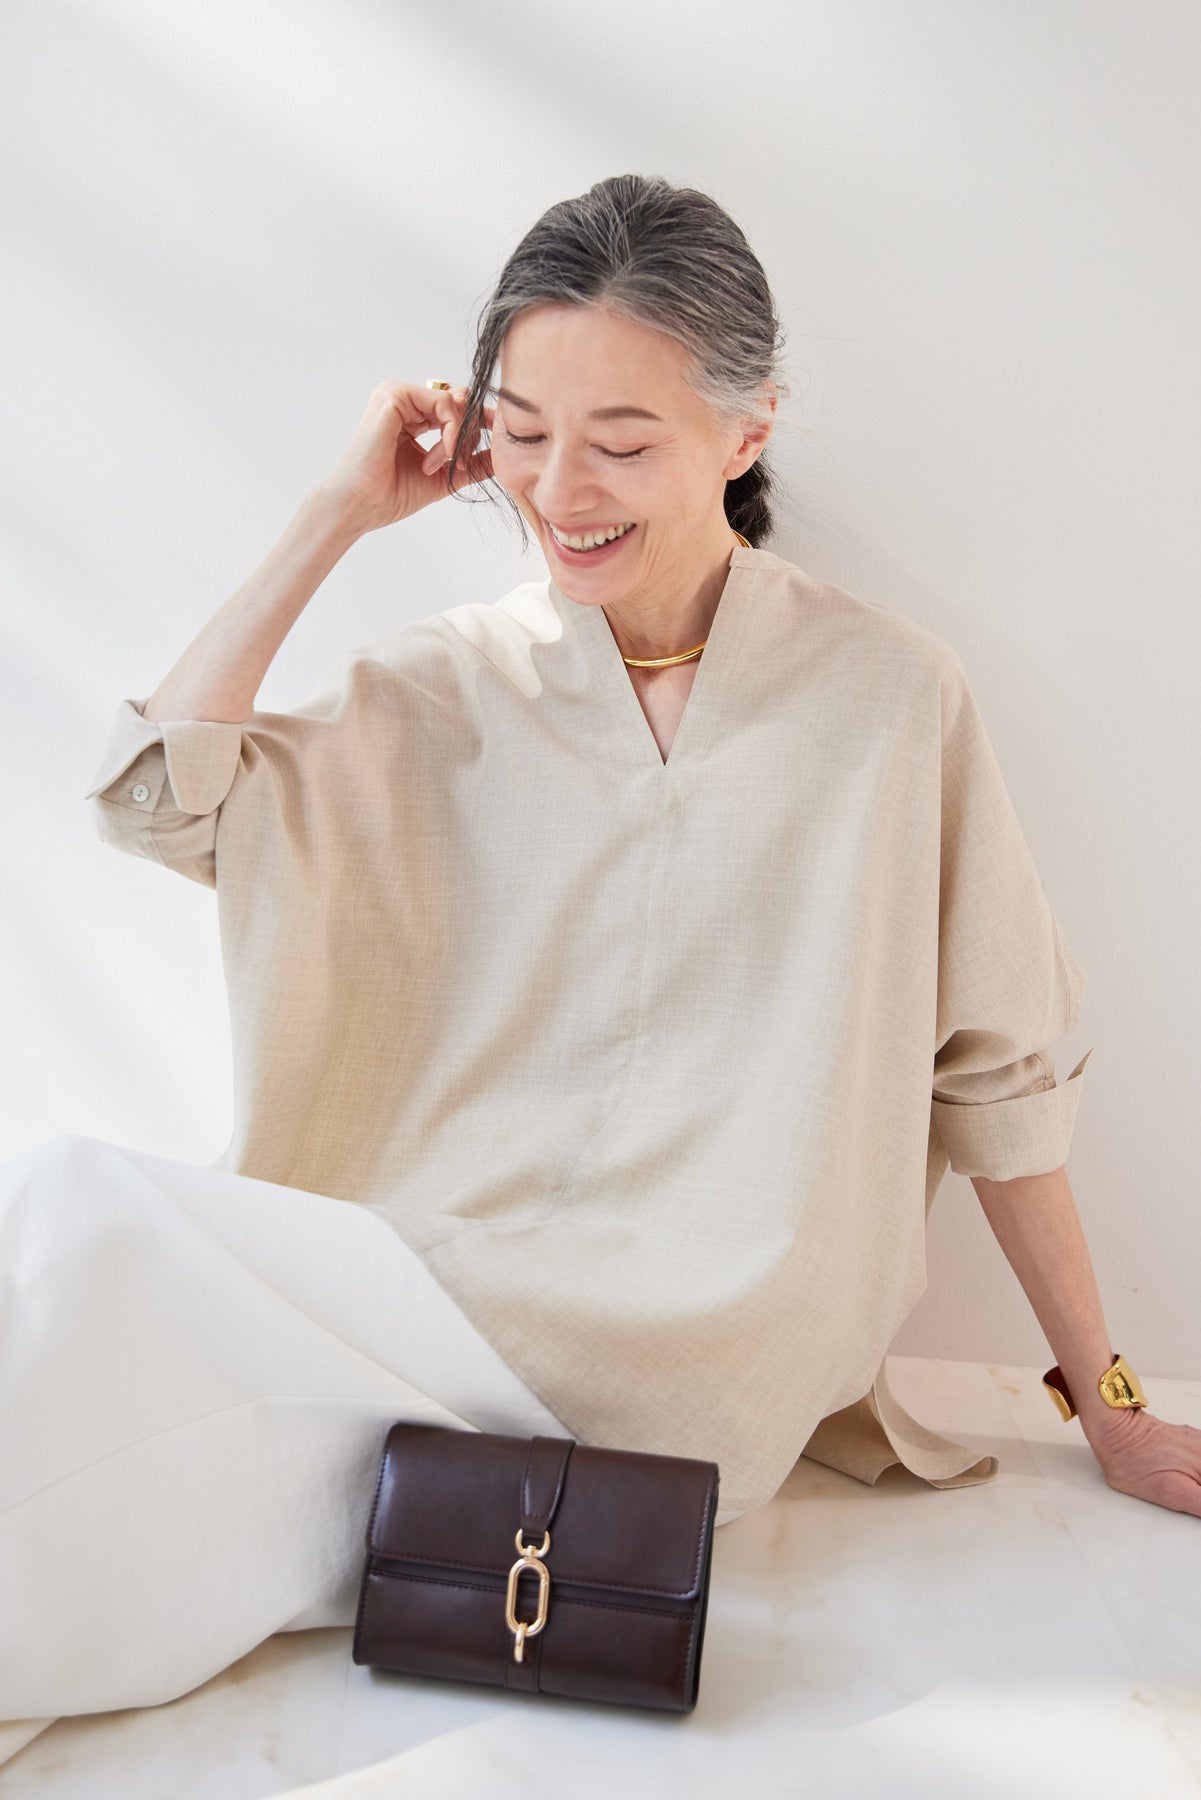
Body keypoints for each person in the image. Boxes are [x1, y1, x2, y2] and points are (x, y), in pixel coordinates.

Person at [3, 172, 1198, 1751]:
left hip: (714, 1333)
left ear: (747, 428)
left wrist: (1109, 1405)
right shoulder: (450, 687)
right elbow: (156, 802)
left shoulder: (887, 696)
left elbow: (998, 1076)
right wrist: (335, 514)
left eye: (620, 443)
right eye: (518, 431)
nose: (559, 489)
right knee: (102, 1370)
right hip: (444, 1283)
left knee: (92, 1235)